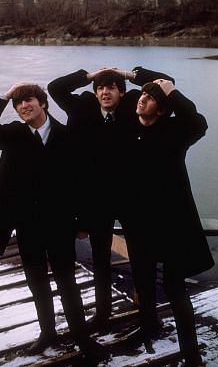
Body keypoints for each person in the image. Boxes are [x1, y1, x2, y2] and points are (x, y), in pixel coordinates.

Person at [0, 82, 109, 364]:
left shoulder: (67, 136)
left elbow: (83, 183)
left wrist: (84, 222)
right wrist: (5, 95)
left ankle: (81, 336)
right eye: (18, 103)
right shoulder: (12, 135)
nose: (23, 106)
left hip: (60, 223)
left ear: (43, 103)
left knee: (67, 282)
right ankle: (48, 333)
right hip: (27, 223)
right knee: (37, 282)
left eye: (28, 100)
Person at [48, 66, 174, 330]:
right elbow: (55, 88)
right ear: (95, 93)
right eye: (101, 88)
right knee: (100, 258)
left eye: (112, 87)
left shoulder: (133, 106)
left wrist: (129, 74)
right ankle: (102, 313)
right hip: (96, 199)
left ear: (122, 92)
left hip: (133, 197)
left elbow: (167, 84)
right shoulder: (82, 107)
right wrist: (89, 76)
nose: (105, 92)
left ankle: (149, 317)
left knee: (142, 257)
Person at [120, 79, 215, 367]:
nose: (141, 99)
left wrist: (172, 92)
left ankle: (192, 354)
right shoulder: (130, 129)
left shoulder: (175, 132)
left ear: (161, 109)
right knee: (144, 282)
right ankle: (150, 326)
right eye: (142, 95)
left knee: (175, 290)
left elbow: (198, 122)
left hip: (173, 225)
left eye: (150, 98)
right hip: (138, 224)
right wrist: (129, 75)